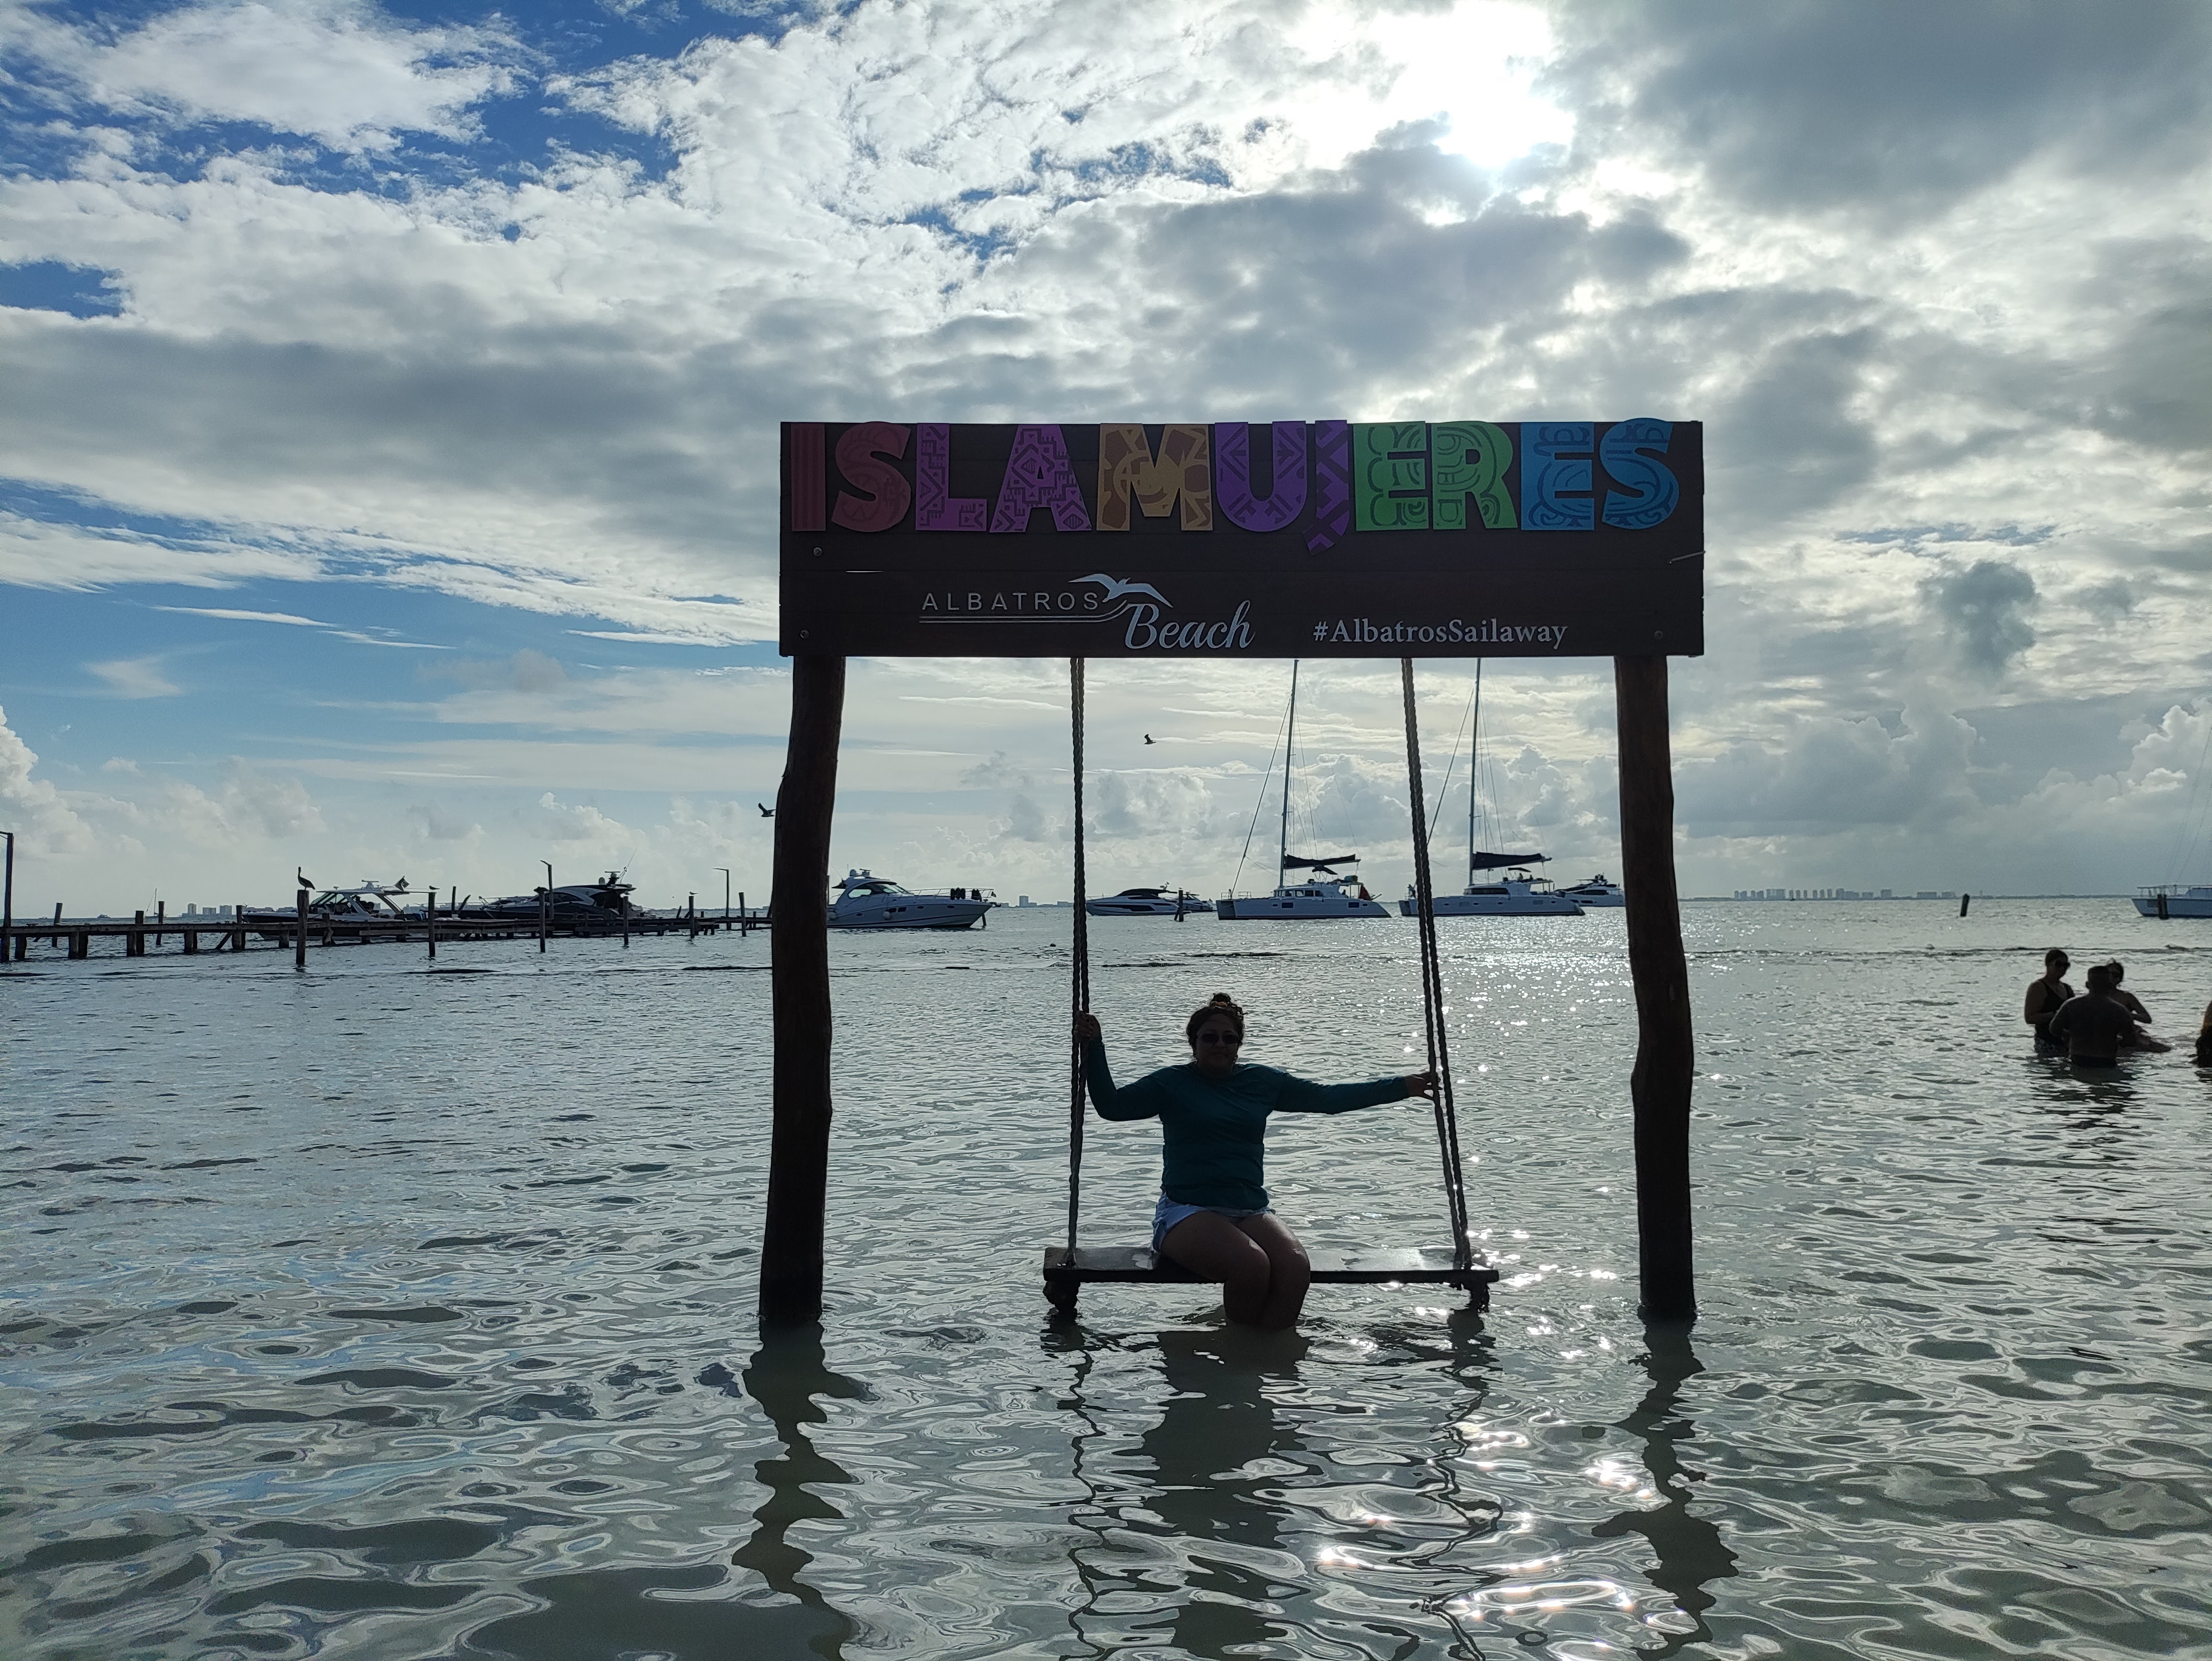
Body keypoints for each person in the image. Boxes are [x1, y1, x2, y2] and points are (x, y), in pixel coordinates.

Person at [1074, 993, 1436, 1331]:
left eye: (1229, 1039)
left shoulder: (1262, 1081)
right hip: (1186, 1210)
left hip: (1249, 1208)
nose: (1219, 1045)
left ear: (1239, 1046)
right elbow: (1113, 1107)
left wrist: (1402, 1086)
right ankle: (1238, 1359)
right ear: (1194, 1043)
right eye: (1209, 1038)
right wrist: (1095, 1046)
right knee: (1251, 1265)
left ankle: (1269, 1360)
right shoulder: (1171, 1083)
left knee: (1295, 1268)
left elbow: (1330, 1099)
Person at [2046, 963, 2135, 1068]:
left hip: (2078, 1060)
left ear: (2088, 985)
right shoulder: (2120, 1011)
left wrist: (2071, 1034)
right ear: (2110, 985)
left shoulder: (2071, 1005)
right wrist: (2117, 1040)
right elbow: (2131, 1041)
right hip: (2106, 1062)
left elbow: (2054, 1029)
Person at [2104, 960, 2172, 1052]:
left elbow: (2147, 1018)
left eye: (2116, 975)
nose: (2112, 978)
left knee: (2160, 1049)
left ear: (2120, 979)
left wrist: (2129, 1015)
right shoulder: (2095, 996)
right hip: (2103, 1032)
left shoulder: (2127, 997)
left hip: (2126, 1032)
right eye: (2109, 974)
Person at [2023, 949, 2073, 1046]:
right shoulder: (2039, 987)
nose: (2063, 968)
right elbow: (2030, 1018)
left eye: (2066, 965)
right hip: (2047, 1042)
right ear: (2048, 965)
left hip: (2066, 1042)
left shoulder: (2067, 988)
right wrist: (2057, 1014)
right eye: (2058, 964)